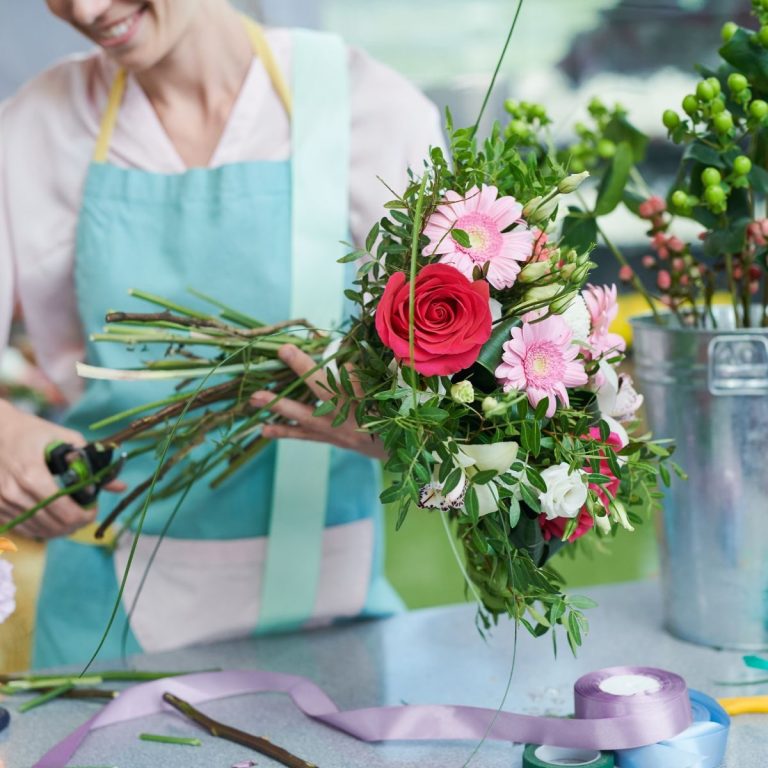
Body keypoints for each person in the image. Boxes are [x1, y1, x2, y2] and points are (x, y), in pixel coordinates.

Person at [0, 0, 443, 667]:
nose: (86, 9)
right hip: (104, 622)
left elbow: (472, 409)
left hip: (333, 619)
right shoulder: (37, 127)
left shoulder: (370, 108)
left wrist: (399, 424)